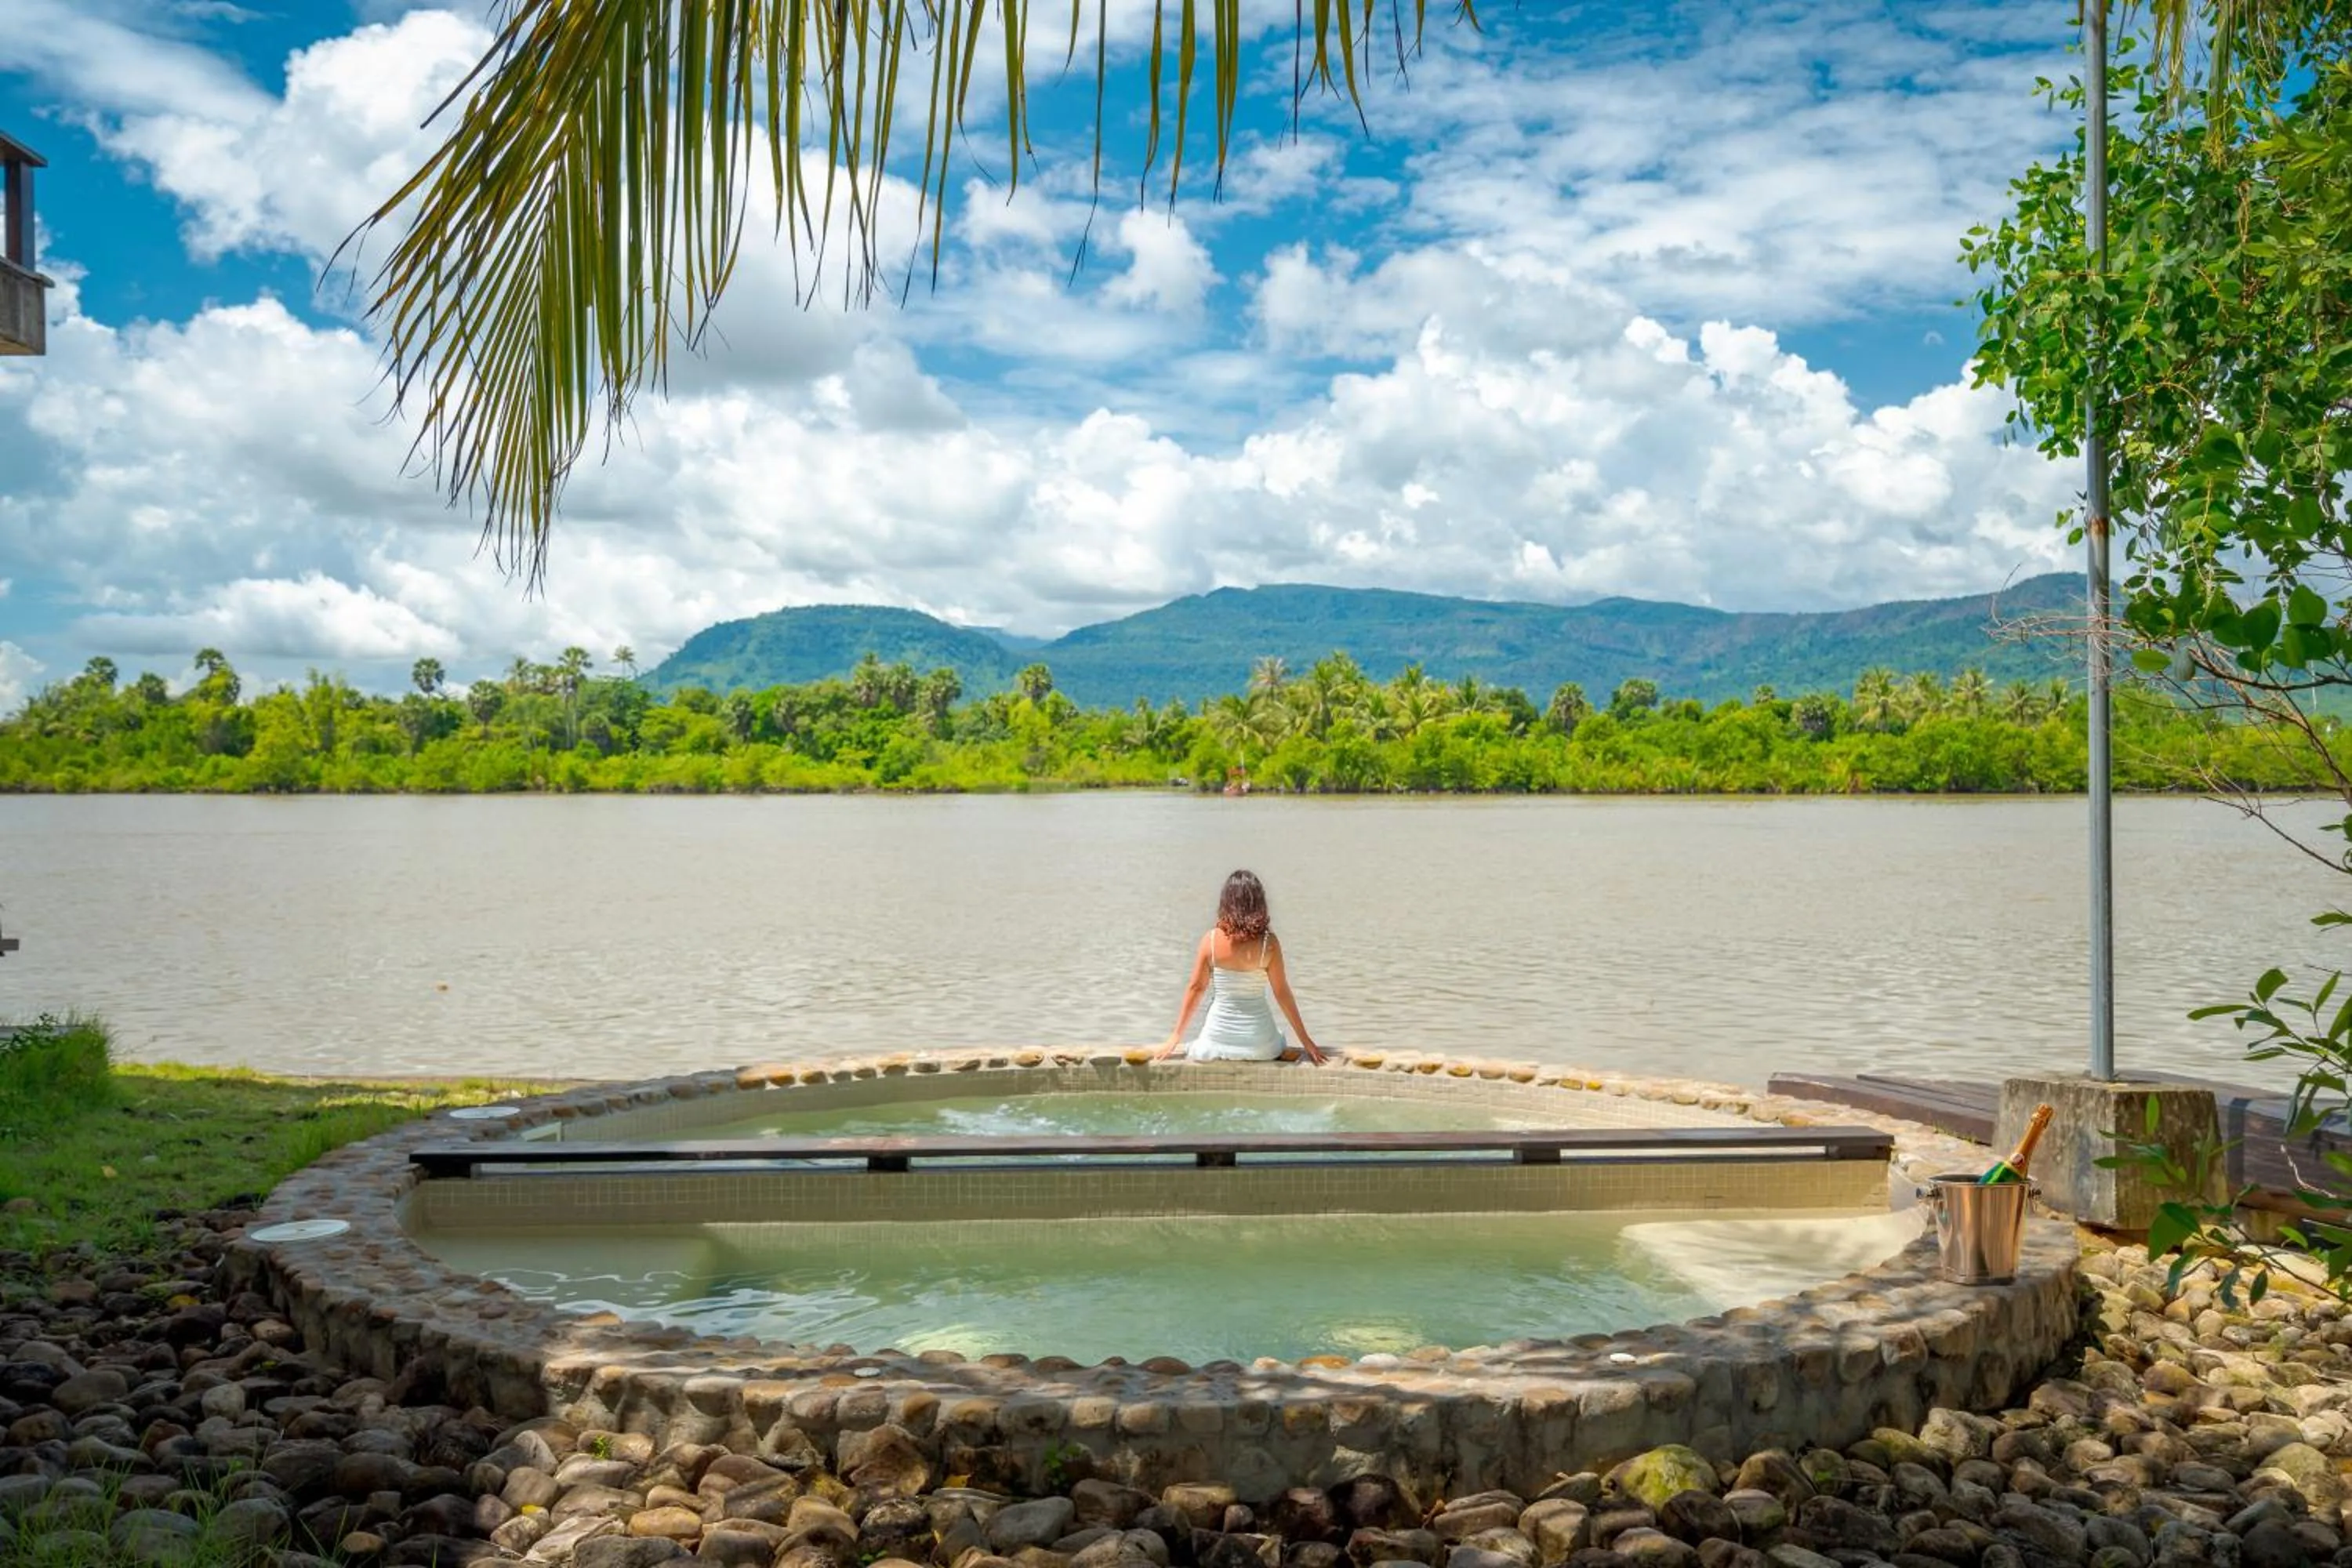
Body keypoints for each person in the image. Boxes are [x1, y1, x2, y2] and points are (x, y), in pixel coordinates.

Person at [1155, 869, 1329, 1064]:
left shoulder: (1210, 941)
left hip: (1217, 1041)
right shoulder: (1268, 944)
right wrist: (1306, 1041)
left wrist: (1175, 1036)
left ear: (1226, 903)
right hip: (1261, 1046)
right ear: (1259, 904)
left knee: (1197, 1045)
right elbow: (1282, 993)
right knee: (1278, 1038)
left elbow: (1196, 989)